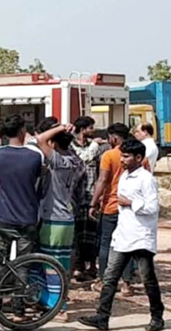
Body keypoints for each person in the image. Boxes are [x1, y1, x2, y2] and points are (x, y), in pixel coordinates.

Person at [79, 138, 165, 331]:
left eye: (126, 157)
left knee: (147, 278)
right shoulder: (125, 176)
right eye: (122, 156)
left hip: (141, 236)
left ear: (138, 157)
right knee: (109, 277)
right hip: (123, 235)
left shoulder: (146, 179)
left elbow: (152, 207)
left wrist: (130, 203)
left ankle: (157, 316)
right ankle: (102, 317)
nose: (123, 160)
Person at [0, 114, 45, 317]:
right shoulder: (35, 156)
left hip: (4, 216)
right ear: (23, 131)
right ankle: (19, 310)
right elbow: (38, 182)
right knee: (23, 265)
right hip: (28, 216)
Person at [35, 121, 87, 276]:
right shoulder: (76, 161)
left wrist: (60, 128)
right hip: (68, 217)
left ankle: (53, 297)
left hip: (53, 217)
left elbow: (39, 140)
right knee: (63, 259)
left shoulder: (58, 162)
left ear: (54, 143)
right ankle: (62, 293)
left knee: (50, 261)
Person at [90, 123, 136, 295]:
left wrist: (93, 203)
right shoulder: (139, 156)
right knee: (128, 245)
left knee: (106, 244)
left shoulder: (109, 155)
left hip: (110, 206)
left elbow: (102, 181)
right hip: (130, 207)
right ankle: (127, 283)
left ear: (114, 138)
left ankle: (104, 280)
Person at [72, 116, 105, 280]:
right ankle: (78, 266)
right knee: (77, 233)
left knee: (92, 232)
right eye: (91, 128)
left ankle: (91, 265)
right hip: (76, 197)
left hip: (92, 196)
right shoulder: (72, 146)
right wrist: (95, 144)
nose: (93, 131)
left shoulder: (95, 147)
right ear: (83, 129)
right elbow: (84, 156)